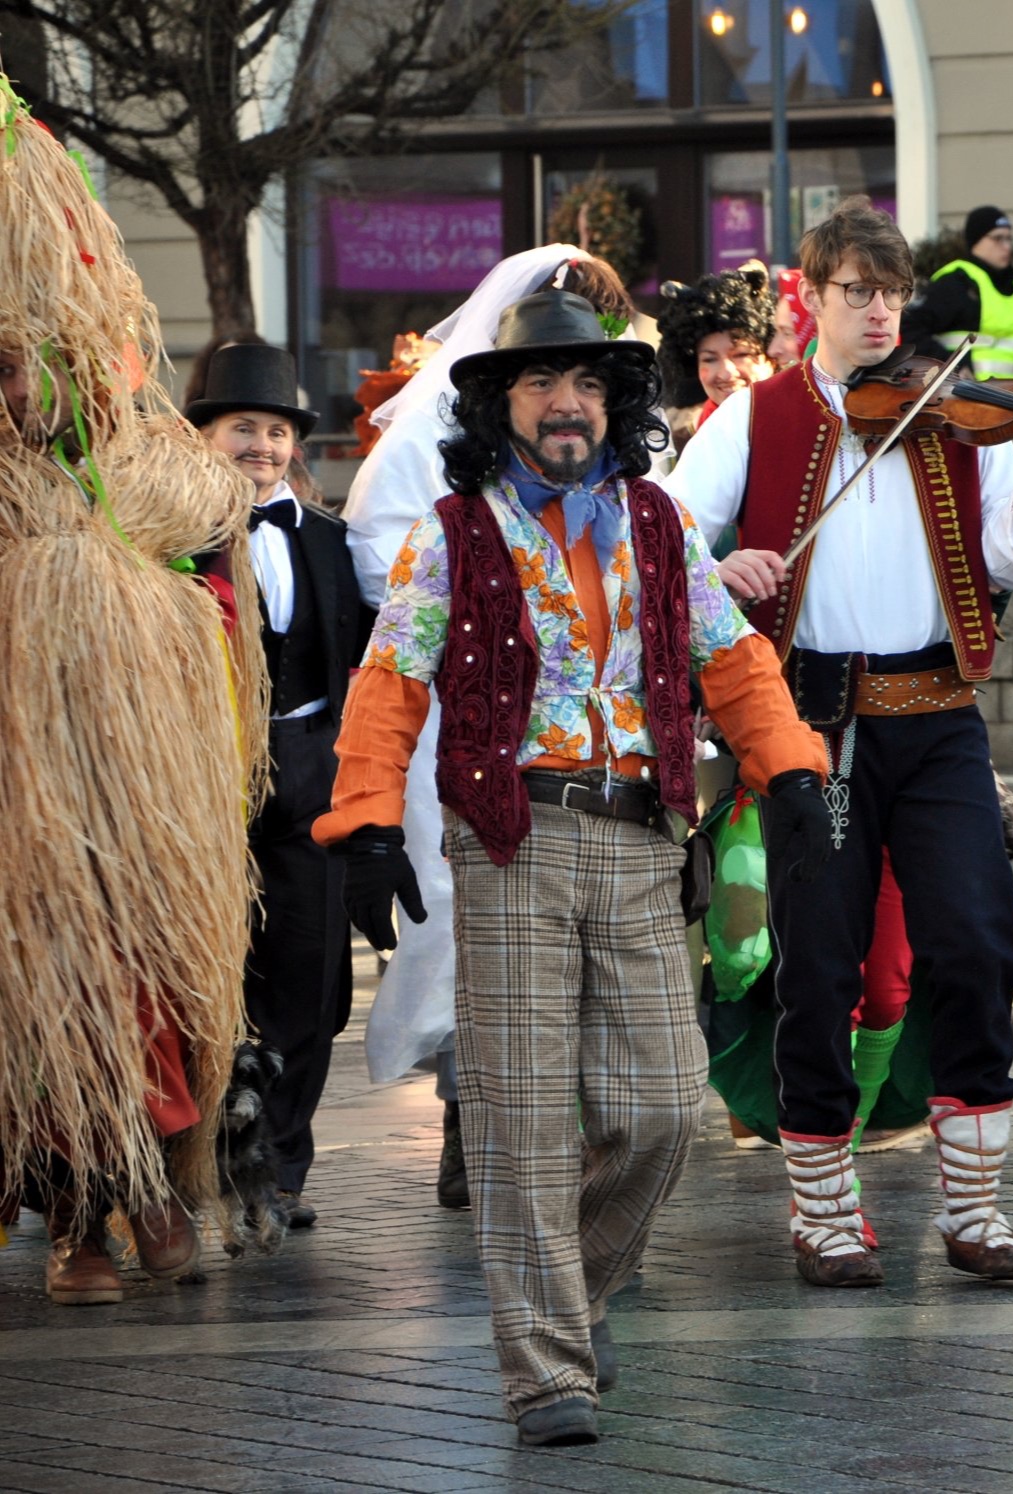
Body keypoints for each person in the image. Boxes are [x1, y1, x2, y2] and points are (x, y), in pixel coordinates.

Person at [314, 288, 831, 1446]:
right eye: (541, 382)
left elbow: (731, 657)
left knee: (662, 1108)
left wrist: (792, 771)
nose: (566, 404)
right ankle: (546, 1367)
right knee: (521, 1117)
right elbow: (389, 681)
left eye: (588, 383)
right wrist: (367, 822)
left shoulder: (656, 522)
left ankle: (572, 1294)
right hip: (512, 841)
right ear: (500, 404)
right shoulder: (452, 533)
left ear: (615, 404)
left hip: (643, 838)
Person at [663, 197, 1013, 1290]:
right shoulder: (755, 415)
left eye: (893, 293)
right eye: (857, 292)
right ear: (810, 298)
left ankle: (974, 1208)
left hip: (939, 716)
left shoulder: (947, 411)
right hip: (812, 724)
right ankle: (822, 1209)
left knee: (976, 944)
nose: (879, 313)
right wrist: (719, 568)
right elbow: (661, 533)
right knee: (817, 963)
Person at [0, 88, 260, 1307]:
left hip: (133, 809)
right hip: (25, 817)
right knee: (40, 990)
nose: (21, 389)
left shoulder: (149, 473)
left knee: (141, 980)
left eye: (31, 363)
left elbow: (218, 594)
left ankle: (149, 1186)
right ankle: (74, 1221)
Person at [342, 247, 634, 1210]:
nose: (564, 393)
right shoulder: (437, 434)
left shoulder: (613, 457)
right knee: (469, 917)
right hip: (466, 719)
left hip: (592, 748)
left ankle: (578, 1131)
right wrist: (486, 600)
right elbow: (382, 554)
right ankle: (474, 1118)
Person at [188, 343, 373, 1228]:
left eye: (276, 431)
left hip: (311, 764)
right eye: (242, 428)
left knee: (310, 970)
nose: (261, 446)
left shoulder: (333, 542)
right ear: (204, 437)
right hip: (198, 772)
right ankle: (198, 1162)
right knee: (207, 970)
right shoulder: (166, 540)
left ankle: (281, 1168)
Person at [901, 205, 1013, 389]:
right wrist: (951, 365)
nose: (1007, 247)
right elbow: (910, 327)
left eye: (1009, 239)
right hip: (972, 397)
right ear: (976, 241)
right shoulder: (957, 282)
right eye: (998, 238)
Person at [655, 265, 779, 437]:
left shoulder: (805, 419)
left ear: (771, 358)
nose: (726, 373)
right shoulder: (691, 440)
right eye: (709, 359)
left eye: (741, 354)